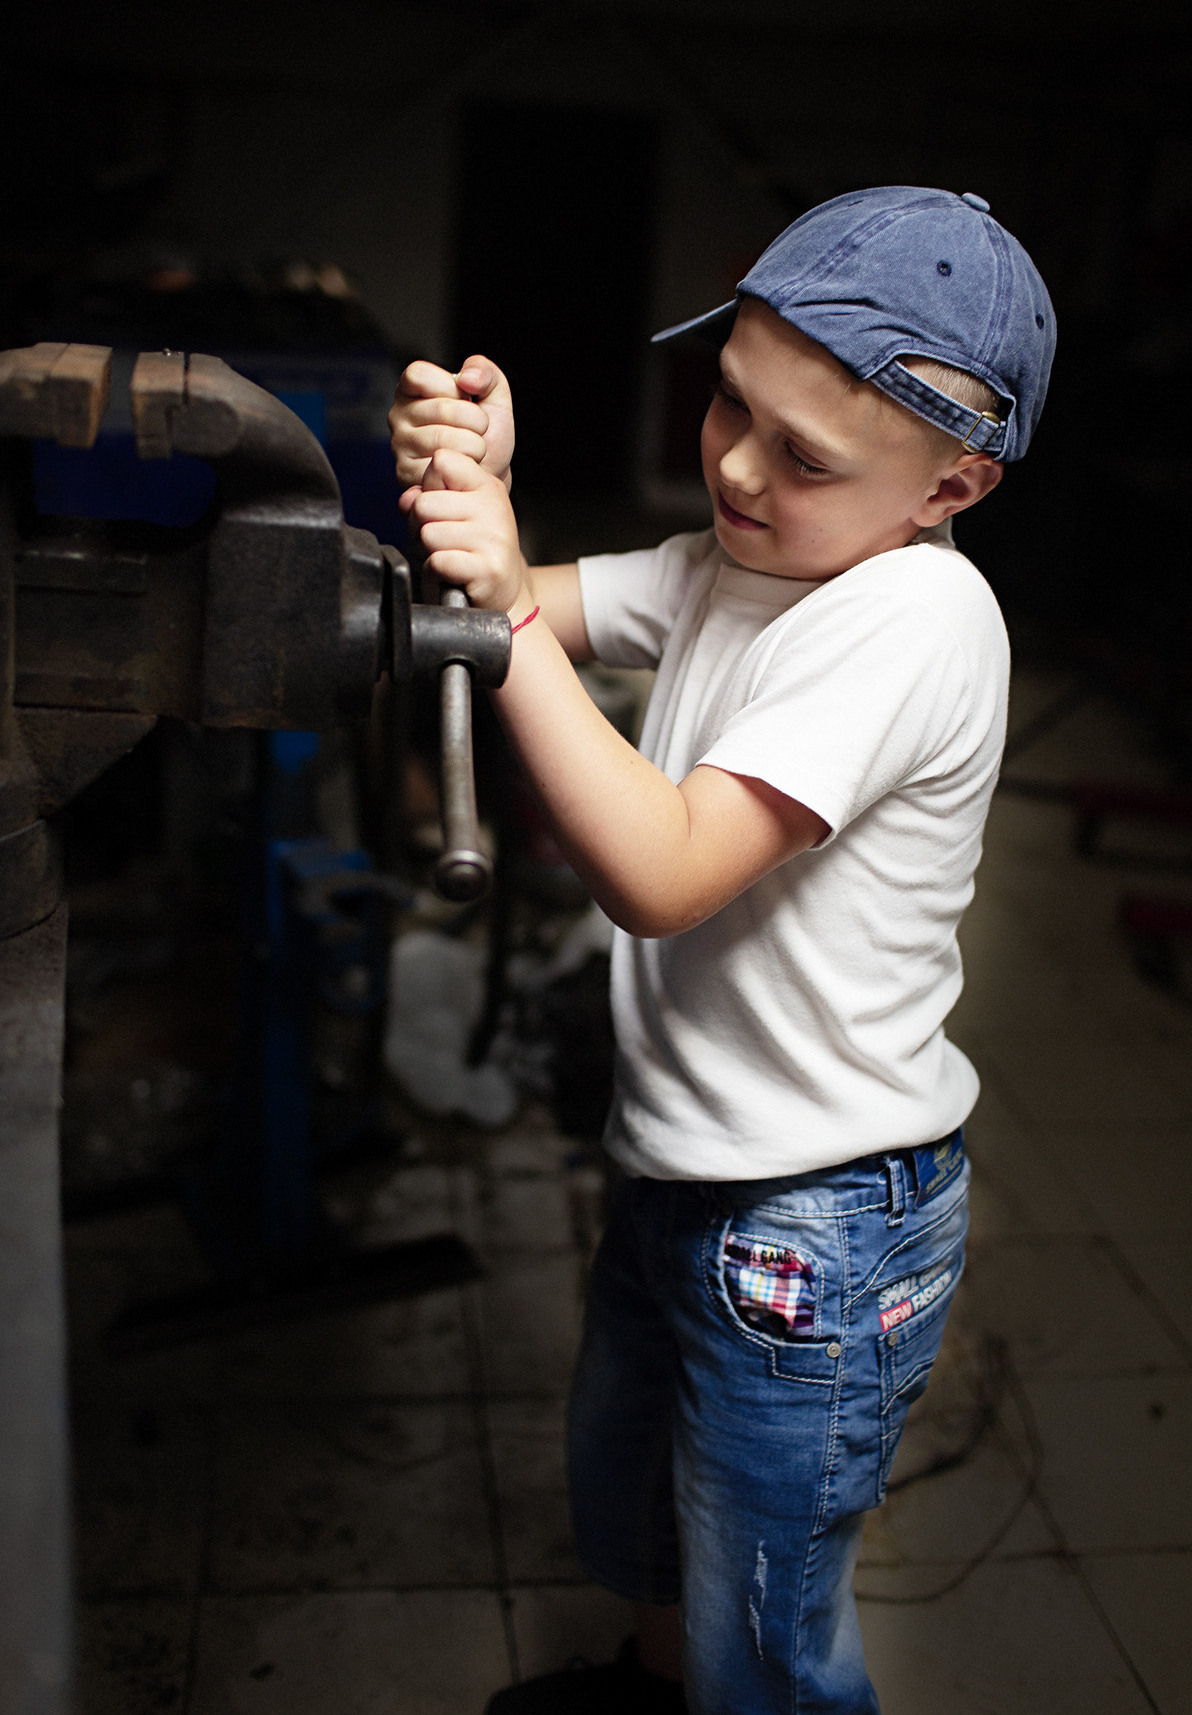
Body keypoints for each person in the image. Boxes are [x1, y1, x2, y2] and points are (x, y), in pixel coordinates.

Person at [388, 186, 1055, 1715]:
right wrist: (485, 494)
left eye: (805, 454)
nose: (740, 467)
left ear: (955, 482)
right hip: (685, 1166)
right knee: (640, 1513)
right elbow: (528, 606)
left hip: (819, 1223)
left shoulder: (916, 622)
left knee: (767, 1617)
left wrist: (507, 608)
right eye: (727, 404)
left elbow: (663, 868)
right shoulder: (741, 559)